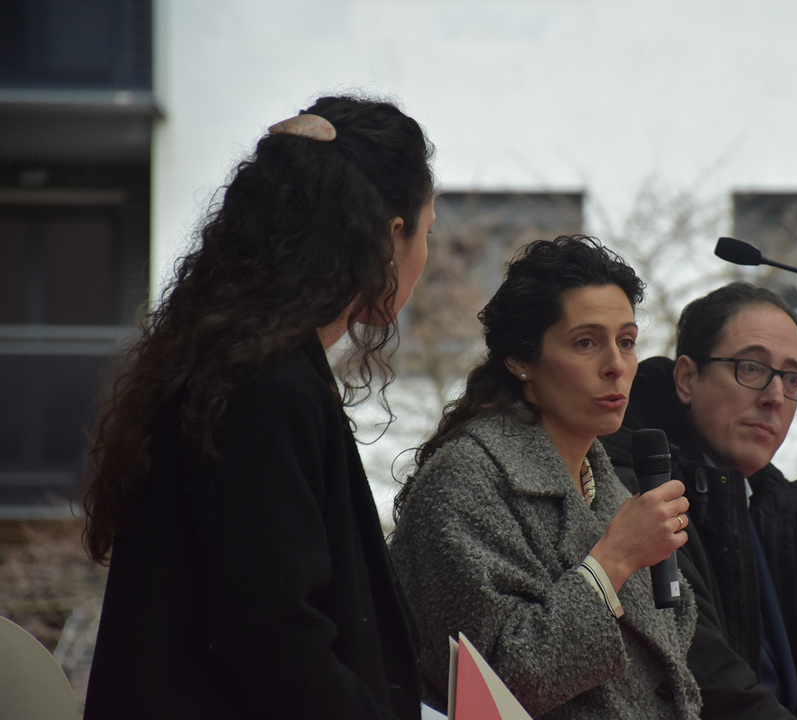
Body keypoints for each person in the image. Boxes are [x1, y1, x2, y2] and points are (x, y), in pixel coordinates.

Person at [80, 94, 436, 720]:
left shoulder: (244, 367)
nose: (426, 258)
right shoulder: (267, 387)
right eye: (428, 234)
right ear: (390, 237)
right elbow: (275, 643)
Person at [390, 235, 701, 719]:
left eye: (626, 342)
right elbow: (499, 682)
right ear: (521, 359)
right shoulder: (465, 481)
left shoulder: (606, 485)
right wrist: (613, 560)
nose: (616, 366)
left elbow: (669, 656)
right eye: (585, 343)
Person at [602, 282, 797, 720]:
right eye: (751, 368)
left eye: (791, 378)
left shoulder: (771, 508)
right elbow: (713, 685)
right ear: (687, 378)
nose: (774, 398)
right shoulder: (640, 493)